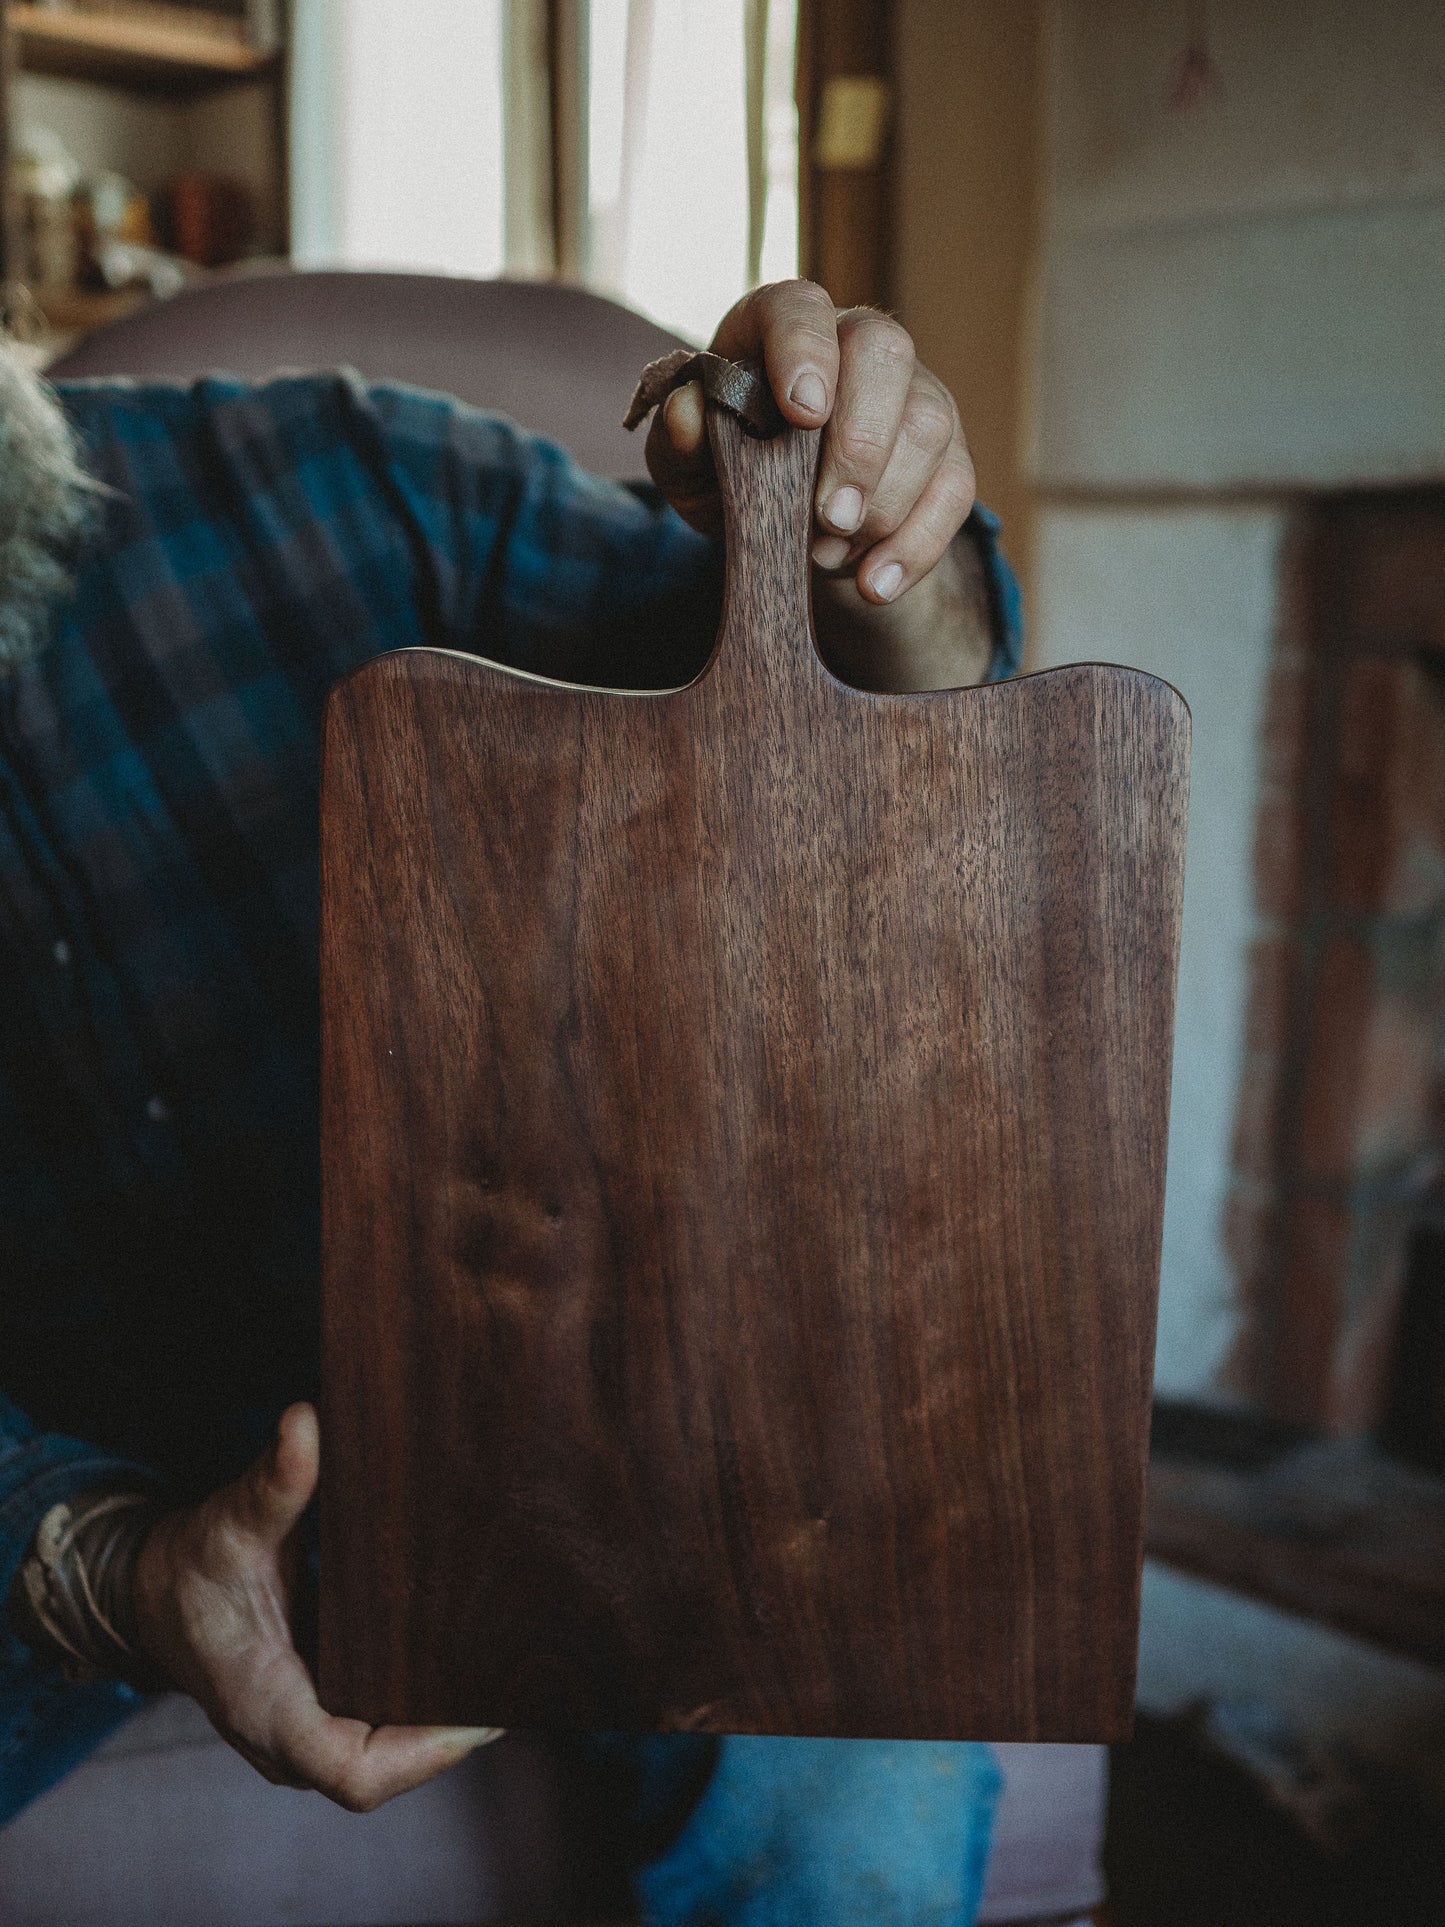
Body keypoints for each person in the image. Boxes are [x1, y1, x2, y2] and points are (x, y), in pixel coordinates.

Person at [0, 278, 1019, 1921]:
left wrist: (874, 552)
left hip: (560, 1386)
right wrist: (90, 1559)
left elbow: (879, 721)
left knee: (855, 1743)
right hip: (36, 1515)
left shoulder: (334, 479)